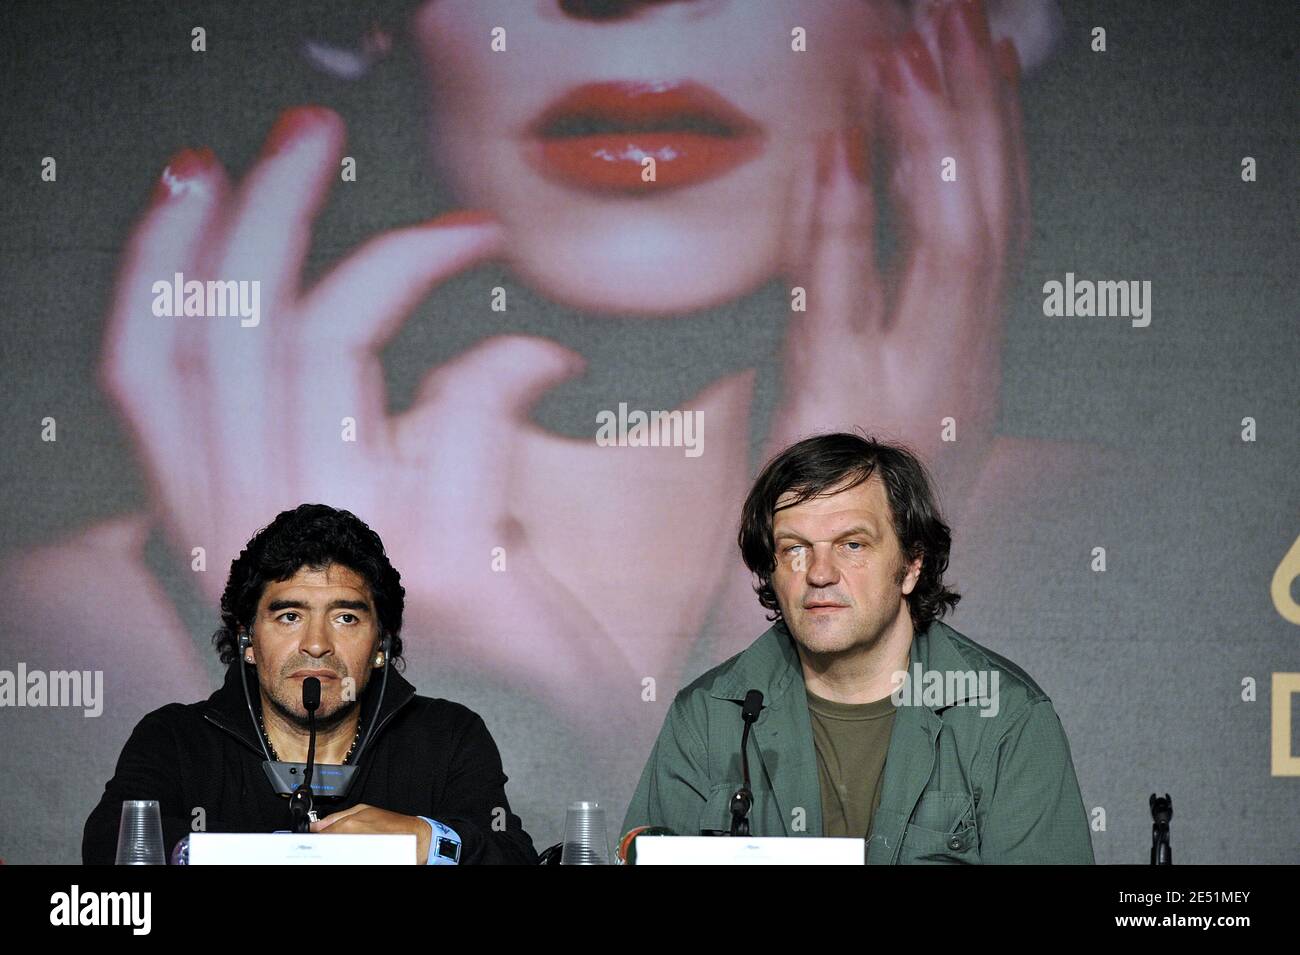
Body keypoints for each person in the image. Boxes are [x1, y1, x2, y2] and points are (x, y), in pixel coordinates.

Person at [622, 433, 1094, 863]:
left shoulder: (1006, 717)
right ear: (771, 570)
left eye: (852, 545)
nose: (820, 573)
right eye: (795, 549)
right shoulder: (708, 716)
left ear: (911, 564)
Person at [82, 504, 538, 865]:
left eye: (345, 617)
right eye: (290, 616)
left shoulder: (447, 735)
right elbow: (112, 854)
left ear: (381, 643)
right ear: (247, 640)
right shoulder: (175, 738)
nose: (316, 644)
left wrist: (425, 839)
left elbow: (513, 855)